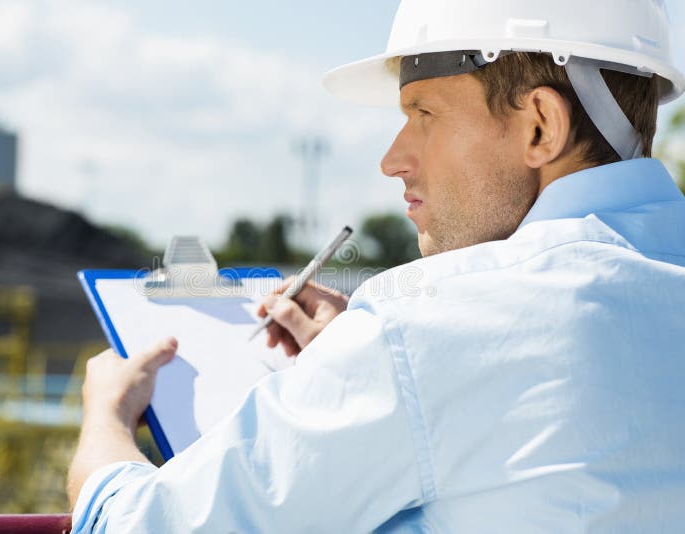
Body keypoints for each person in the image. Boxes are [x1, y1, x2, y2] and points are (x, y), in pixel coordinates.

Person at [68, 0, 685, 531]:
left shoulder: (425, 329)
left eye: (424, 114)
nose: (392, 160)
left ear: (540, 127)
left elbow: (134, 525)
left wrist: (107, 418)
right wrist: (365, 372)